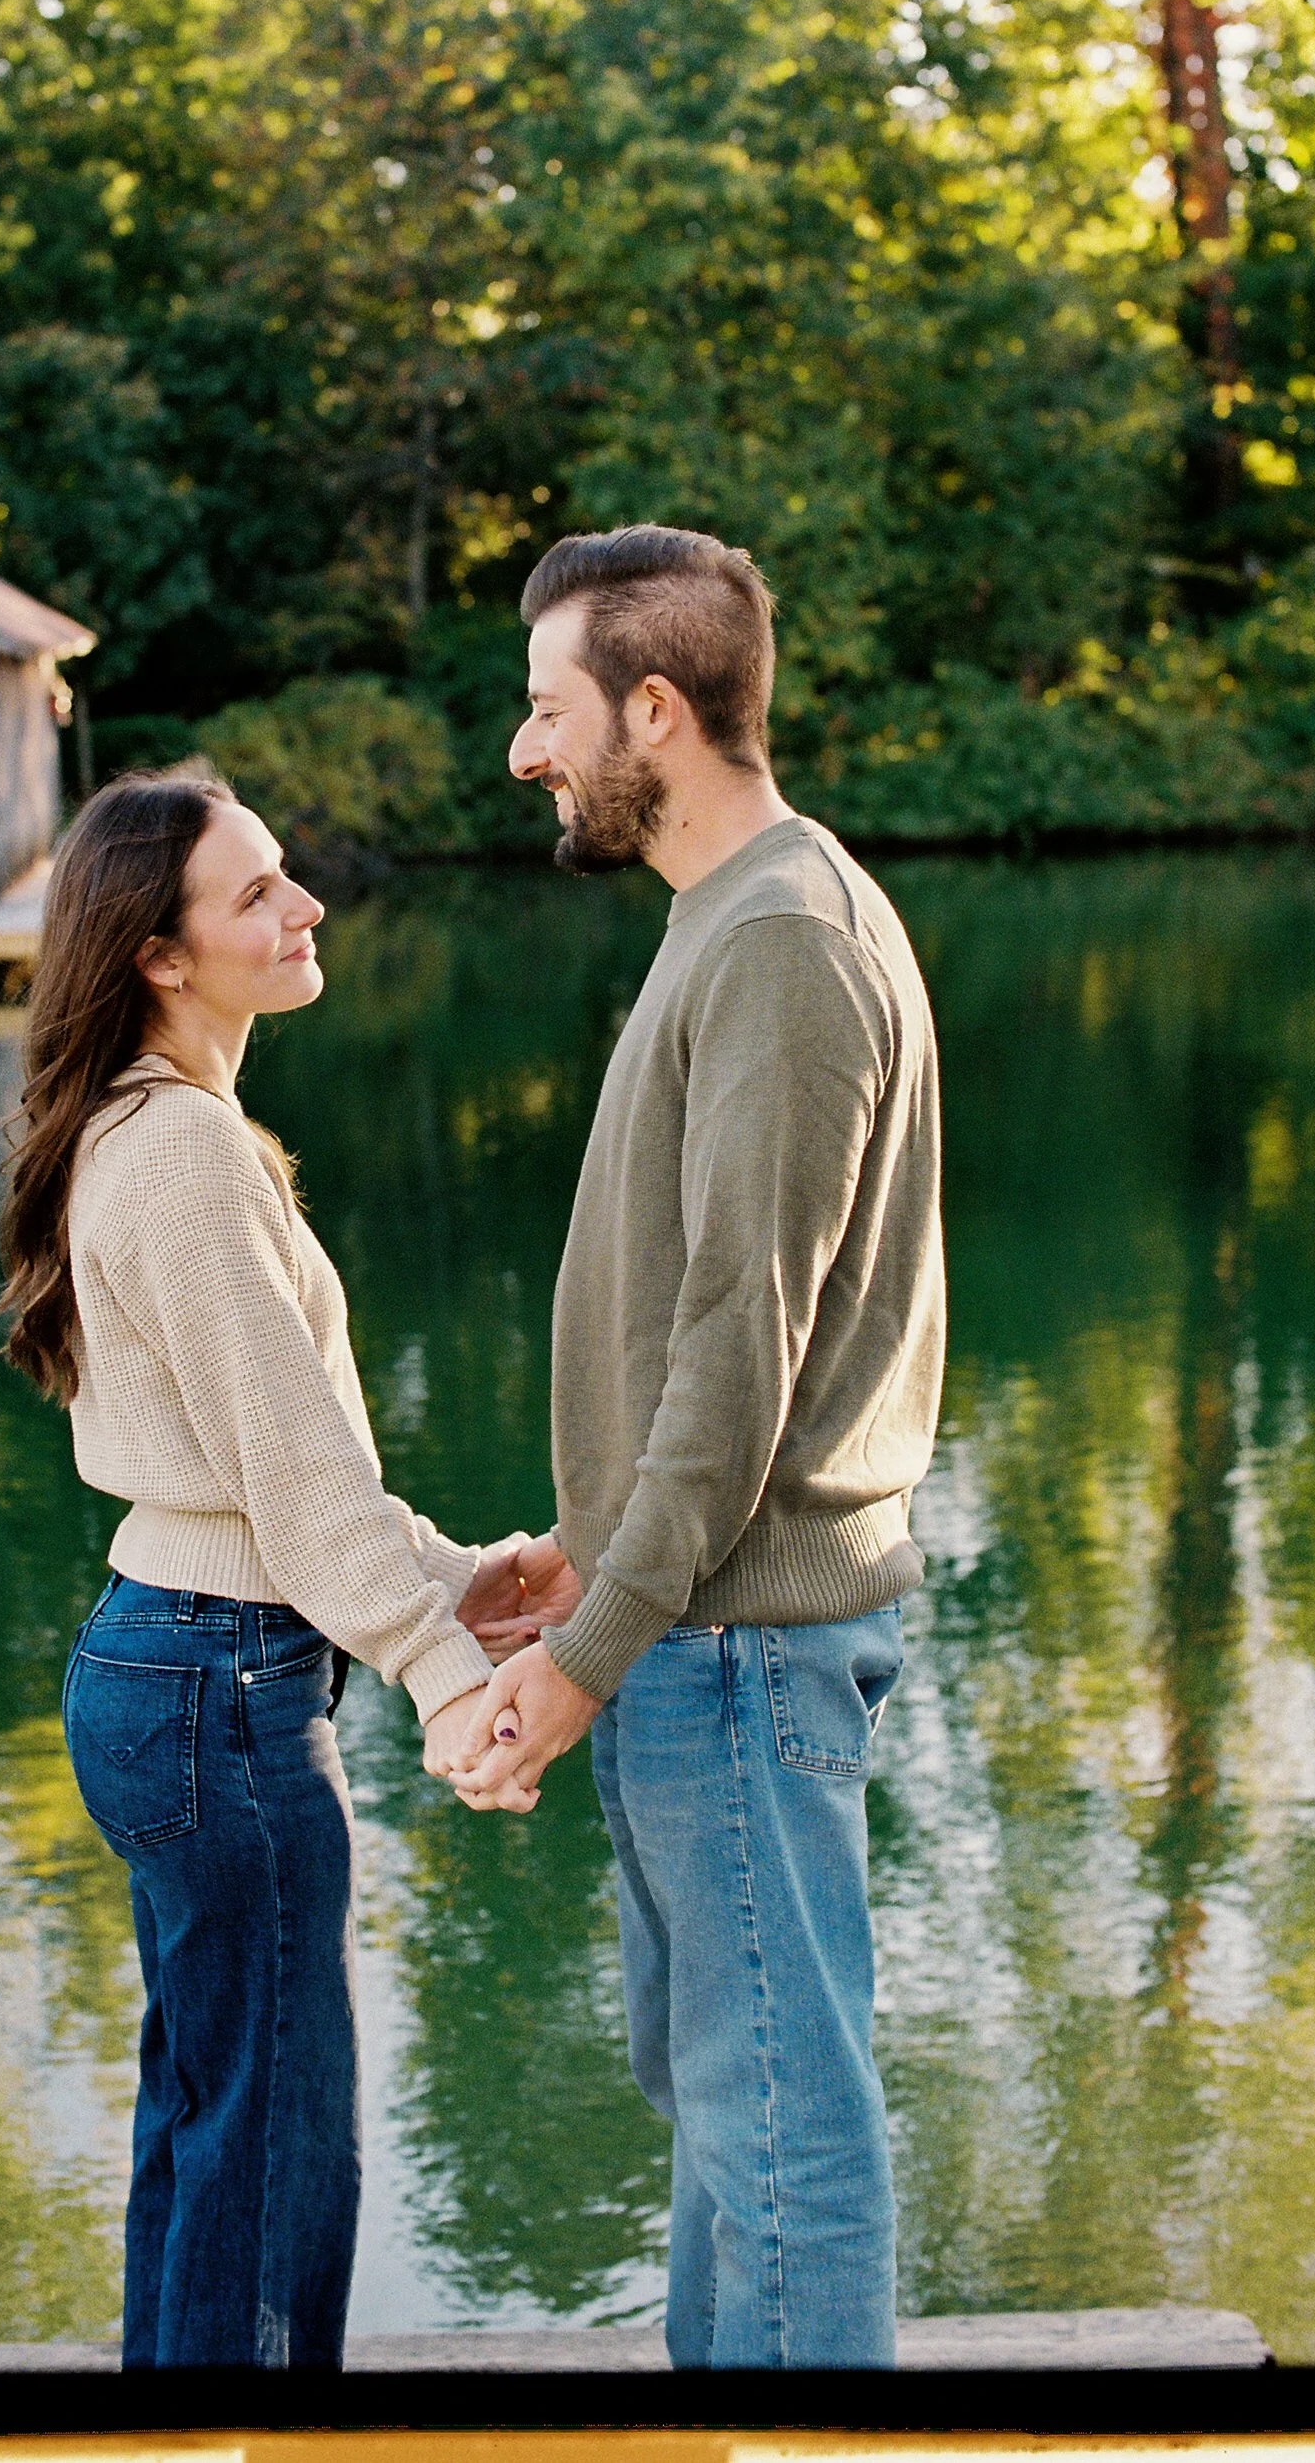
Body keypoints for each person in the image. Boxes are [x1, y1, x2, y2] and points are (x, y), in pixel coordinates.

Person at [0, 763, 575, 2369]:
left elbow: (259, 1480)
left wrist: (462, 1575)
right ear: (159, 956)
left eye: (285, 874)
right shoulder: (178, 1155)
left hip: (178, 1664)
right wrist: (451, 1676)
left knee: (211, 2125)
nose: (304, 902)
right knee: (274, 2159)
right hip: (218, 1698)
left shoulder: (162, 1129)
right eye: (254, 891)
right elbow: (293, 1470)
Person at [446, 526, 946, 2372]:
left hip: (731, 1643)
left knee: (785, 2131)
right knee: (729, 2123)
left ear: (654, 708)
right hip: (690, 1622)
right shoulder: (731, 920)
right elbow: (700, 1336)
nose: (524, 750)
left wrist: (592, 1649)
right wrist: (597, 1565)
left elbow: (742, 1358)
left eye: (546, 707)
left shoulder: (786, 942)